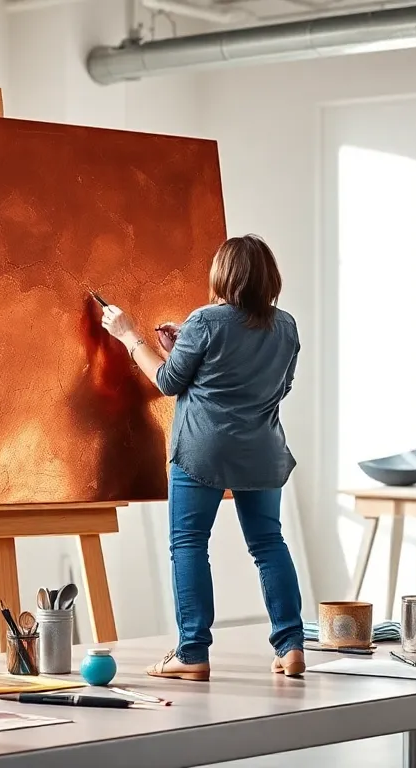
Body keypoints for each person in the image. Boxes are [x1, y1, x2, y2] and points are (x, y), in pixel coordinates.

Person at [100, 234, 306, 680]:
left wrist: (129, 335)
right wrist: (191, 352)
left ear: (222, 275)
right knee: (269, 544)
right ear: (269, 278)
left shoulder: (206, 321)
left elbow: (167, 382)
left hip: (203, 451)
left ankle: (192, 652)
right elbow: (280, 386)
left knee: (189, 543)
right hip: (261, 452)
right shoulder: (286, 326)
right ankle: (291, 646)